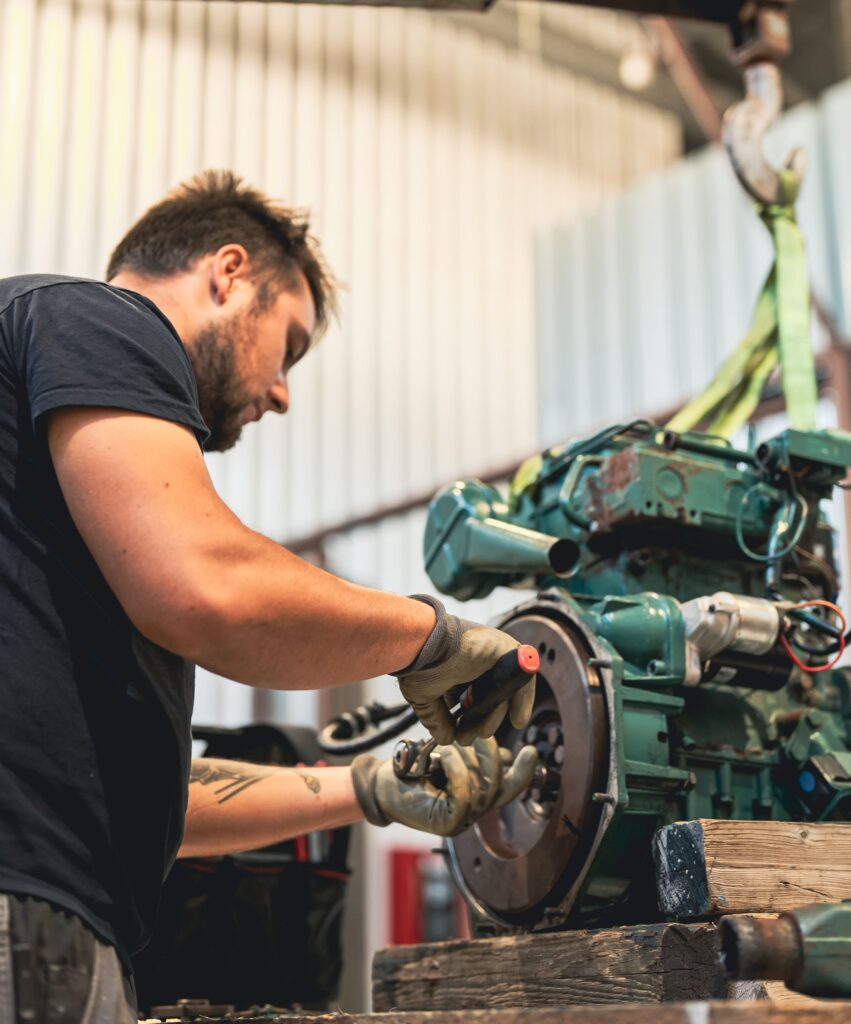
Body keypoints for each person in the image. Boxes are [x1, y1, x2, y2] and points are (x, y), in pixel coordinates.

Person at [0, 170, 537, 1022]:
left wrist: (366, 790)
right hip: (24, 922)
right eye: (288, 345)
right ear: (228, 273)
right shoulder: (98, 318)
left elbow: (156, 803)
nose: (282, 394)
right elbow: (208, 586)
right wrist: (430, 638)